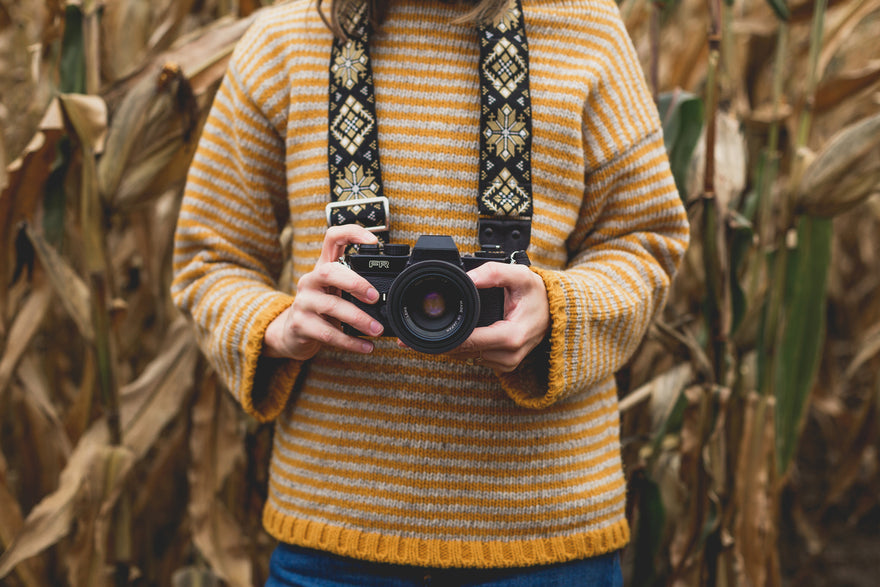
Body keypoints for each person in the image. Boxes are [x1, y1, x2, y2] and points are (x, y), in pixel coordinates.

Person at [171, 0, 689, 584]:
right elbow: (210, 260)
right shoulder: (285, 42)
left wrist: (557, 310)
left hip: (550, 537)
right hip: (333, 537)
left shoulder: (584, 28)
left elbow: (646, 241)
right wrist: (276, 327)